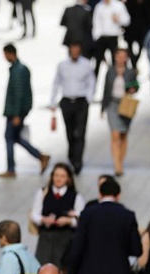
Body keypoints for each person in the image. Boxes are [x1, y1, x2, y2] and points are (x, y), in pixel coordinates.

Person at [0, 43, 51, 179]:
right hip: (18, 111)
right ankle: (40, 156)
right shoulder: (20, 69)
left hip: (16, 112)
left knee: (9, 137)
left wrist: (16, 114)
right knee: (15, 138)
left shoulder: (18, 71)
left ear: (9, 53)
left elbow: (19, 93)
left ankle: (11, 168)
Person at [30, 162, 85, 274]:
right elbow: (34, 213)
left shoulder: (75, 196)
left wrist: (68, 221)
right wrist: (43, 219)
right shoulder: (43, 192)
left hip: (65, 239)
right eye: (56, 175)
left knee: (62, 272)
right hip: (46, 238)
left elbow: (82, 218)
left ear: (68, 178)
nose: (59, 179)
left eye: (62, 176)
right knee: (43, 270)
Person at [50, 43, 96, 175]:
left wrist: (89, 98)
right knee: (70, 132)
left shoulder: (86, 64)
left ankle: (78, 161)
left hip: (81, 101)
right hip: (66, 101)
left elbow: (91, 81)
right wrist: (53, 101)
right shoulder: (62, 65)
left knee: (80, 133)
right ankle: (71, 155)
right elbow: (56, 82)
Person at [101, 48, 139, 176]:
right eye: (119, 56)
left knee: (123, 135)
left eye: (123, 56)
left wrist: (132, 89)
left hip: (125, 104)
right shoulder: (110, 72)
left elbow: (136, 86)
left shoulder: (130, 72)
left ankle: (120, 161)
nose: (121, 59)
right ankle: (117, 164)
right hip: (112, 104)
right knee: (115, 134)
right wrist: (102, 107)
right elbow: (105, 89)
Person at [91, 0, 129, 79]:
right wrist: (96, 37)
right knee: (97, 61)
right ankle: (93, 84)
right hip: (101, 37)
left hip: (113, 37)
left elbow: (127, 21)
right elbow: (95, 22)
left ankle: (116, 81)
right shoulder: (99, 7)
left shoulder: (119, 6)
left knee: (116, 62)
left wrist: (118, 20)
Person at [124, 0, 150, 68]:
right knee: (131, 50)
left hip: (144, 31)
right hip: (131, 31)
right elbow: (125, 16)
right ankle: (133, 64)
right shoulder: (129, 3)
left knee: (143, 49)